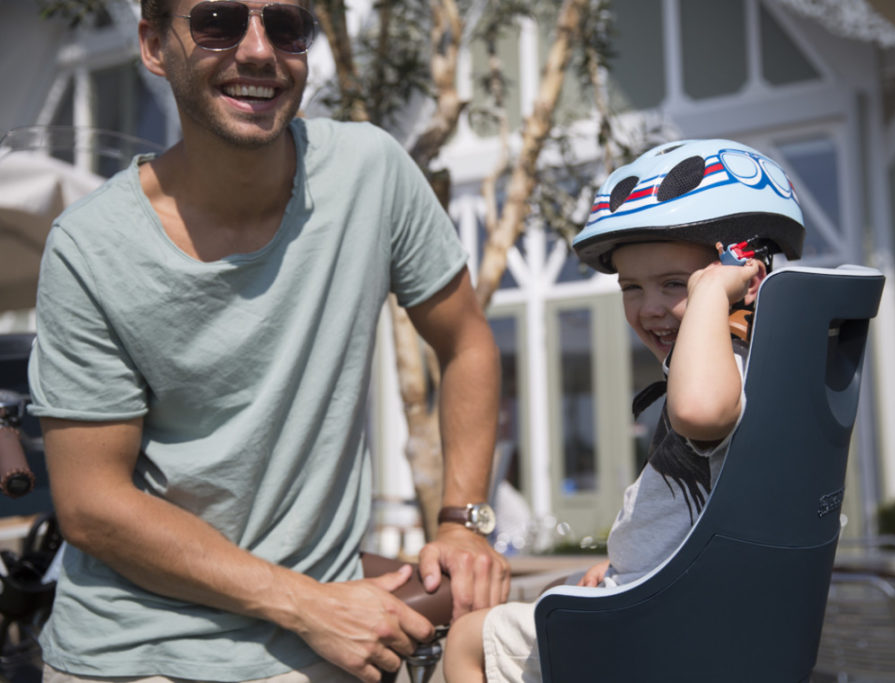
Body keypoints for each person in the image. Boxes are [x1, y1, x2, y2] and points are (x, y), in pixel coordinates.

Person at [27, 1, 509, 681]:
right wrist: (309, 605)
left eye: (285, 26)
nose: (259, 51)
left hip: (330, 641)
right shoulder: (89, 246)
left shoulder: (370, 170)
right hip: (137, 651)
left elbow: (467, 342)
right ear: (153, 46)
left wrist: (462, 519)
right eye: (218, 21)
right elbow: (92, 504)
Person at [442, 138, 805, 683]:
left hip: (666, 635)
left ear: (744, 279)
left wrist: (709, 294)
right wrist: (625, 569)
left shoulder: (725, 369)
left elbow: (702, 410)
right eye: (631, 287)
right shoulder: (774, 370)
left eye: (676, 284)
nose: (650, 307)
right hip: (689, 613)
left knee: (470, 640)